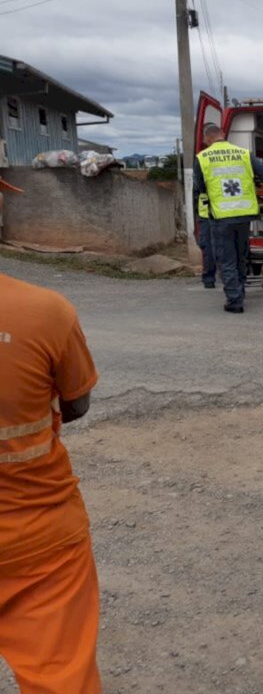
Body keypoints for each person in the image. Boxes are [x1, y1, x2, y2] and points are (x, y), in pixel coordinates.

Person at [0, 272, 102, 693]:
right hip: (37, 537)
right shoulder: (45, 310)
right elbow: (76, 403)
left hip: (38, 538)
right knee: (60, 679)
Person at [193, 123, 263, 313]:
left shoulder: (202, 158)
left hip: (221, 216)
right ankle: (240, 291)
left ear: (207, 138)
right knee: (240, 256)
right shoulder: (244, 154)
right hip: (244, 215)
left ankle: (235, 301)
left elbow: (200, 188)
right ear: (223, 134)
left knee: (226, 259)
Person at [197, 190, 216, 289]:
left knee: (208, 247)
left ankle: (209, 278)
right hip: (227, 212)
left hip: (207, 212)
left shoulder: (203, 174)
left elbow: (197, 188)